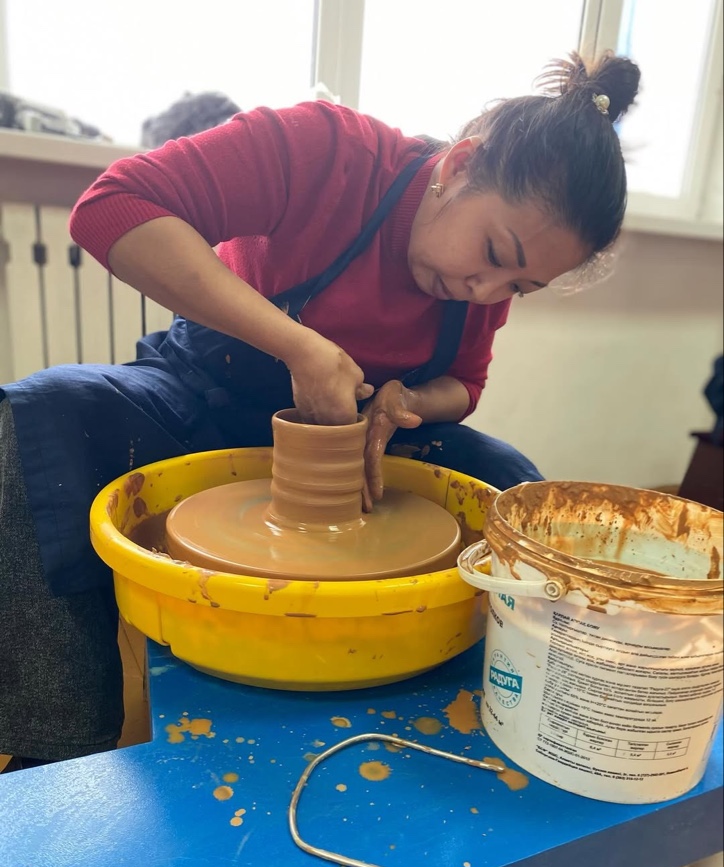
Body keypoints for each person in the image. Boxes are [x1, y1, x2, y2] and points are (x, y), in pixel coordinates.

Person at [0, 51, 641, 767]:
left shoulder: (478, 283)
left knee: (516, 492)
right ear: (459, 165)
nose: (486, 291)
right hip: (202, 399)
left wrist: (410, 400)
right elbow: (112, 208)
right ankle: (53, 746)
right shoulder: (329, 152)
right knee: (46, 415)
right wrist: (297, 346)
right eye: (492, 253)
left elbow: (465, 383)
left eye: (519, 287)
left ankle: (505, 719)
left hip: (361, 443)